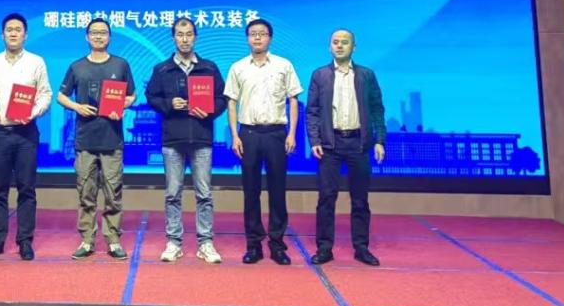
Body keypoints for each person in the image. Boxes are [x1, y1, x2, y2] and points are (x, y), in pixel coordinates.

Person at [146, 18, 227, 264]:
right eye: (180, 34)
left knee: (204, 194)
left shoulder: (209, 67)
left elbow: (222, 98)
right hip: (172, 139)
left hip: (201, 138)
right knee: (173, 194)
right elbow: (151, 97)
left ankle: (206, 243)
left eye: (189, 34)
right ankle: (174, 242)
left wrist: (210, 109)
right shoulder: (162, 69)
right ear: (173, 38)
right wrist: (169, 104)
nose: (184, 39)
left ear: (195, 37)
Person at [225, 18, 302, 265]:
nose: (257, 37)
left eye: (262, 33)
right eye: (253, 34)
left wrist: (291, 133)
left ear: (270, 38)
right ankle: (253, 245)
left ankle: (277, 245)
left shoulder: (283, 65)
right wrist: (235, 135)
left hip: (276, 134)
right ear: (247, 38)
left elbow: (293, 99)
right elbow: (231, 102)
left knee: (278, 191)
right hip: (248, 134)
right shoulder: (238, 67)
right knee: (251, 192)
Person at [57, 18, 136, 260]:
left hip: (112, 139)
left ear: (109, 37)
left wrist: (120, 106)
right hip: (85, 140)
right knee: (86, 193)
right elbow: (61, 96)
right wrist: (76, 107)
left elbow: (131, 96)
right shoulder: (77, 67)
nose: (99, 36)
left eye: (103, 32)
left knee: (113, 193)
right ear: (87, 36)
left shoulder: (120, 65)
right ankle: (87, 240)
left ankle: (113, 240)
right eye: (94, 32)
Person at [306, 29, 386, 267]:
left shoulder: (366, 75)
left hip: (358, 143)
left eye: (345, 42)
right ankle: (324, 248)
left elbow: (377, 108)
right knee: (326, 198)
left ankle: (361, 248)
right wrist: (315, 140)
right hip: (330, 144)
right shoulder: (320, 75)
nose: (339, 46)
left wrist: (380, 140)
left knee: (360, 199)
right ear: (329, 46)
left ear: (354, 47)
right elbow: (312, 111)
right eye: (335, 42)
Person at [0, 13, 52, 261]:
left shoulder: (36, 62)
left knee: (26, 189)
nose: (13, 33)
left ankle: (25, 241)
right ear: (2, 34)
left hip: (26, 133)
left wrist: (33, 112)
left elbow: (45, 95)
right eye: (9, 29)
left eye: (18, 29)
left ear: (25, 35)